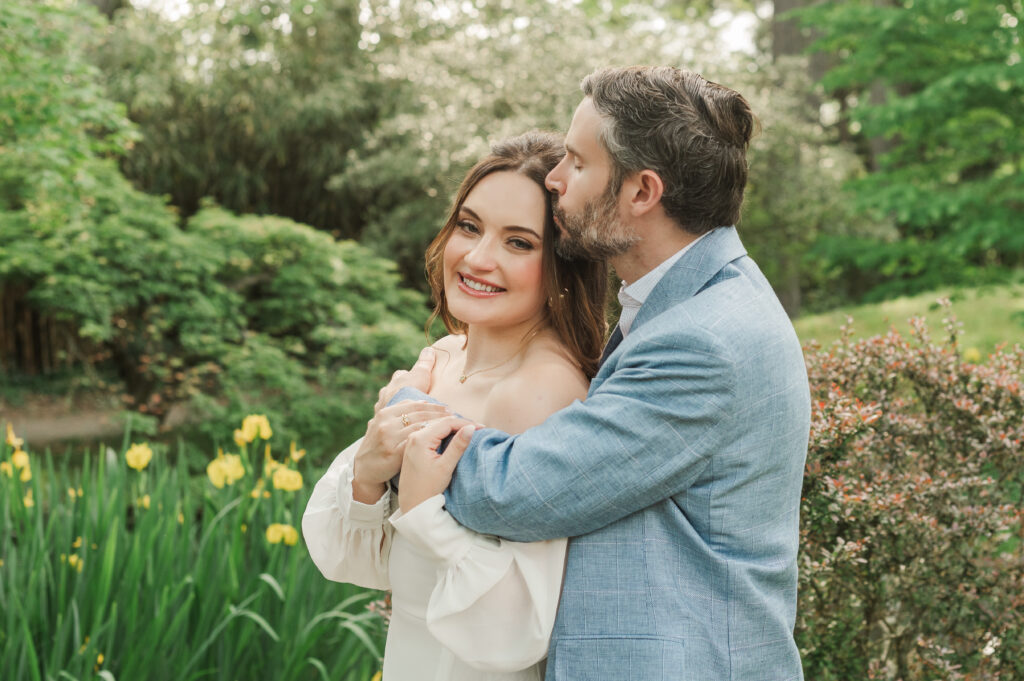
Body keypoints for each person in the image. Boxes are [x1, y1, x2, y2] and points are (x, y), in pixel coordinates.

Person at [378, 66, 812, 680]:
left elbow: (516, 490)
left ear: (642, 193)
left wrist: (408, 407)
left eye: (578, 163)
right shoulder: (687, 302)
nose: (554, 179)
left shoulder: (704, 340)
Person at [302, 132, 608, 680]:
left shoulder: (538, 393)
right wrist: (368, 475)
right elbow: (357, 562)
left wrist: (424, 511)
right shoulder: (442, 358)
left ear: (564, 263)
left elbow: (516, 629)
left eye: (519, 243)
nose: (477, 257)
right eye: (469, 226)